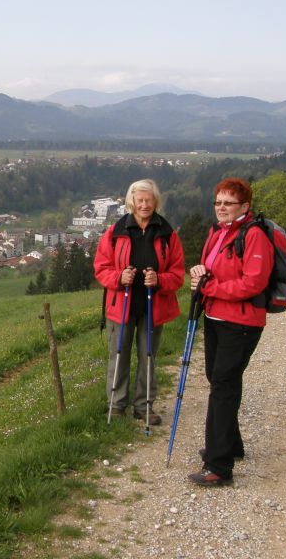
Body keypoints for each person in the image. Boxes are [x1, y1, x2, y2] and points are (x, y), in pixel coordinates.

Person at [188, 177, 274, 487]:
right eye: (218, 202)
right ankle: (230, 445)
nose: (222, 208)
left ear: (245, 207)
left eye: (229, 203)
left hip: (241, 323)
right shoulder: (218, 233)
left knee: (222, 385)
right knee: (220, 377)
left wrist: (211, 286)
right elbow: (212, 267)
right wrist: (200, 271)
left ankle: (218, 466)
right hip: (215, 317)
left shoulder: (254, 236)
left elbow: (254, 282)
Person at [94, 179, 185, 425]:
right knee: (119, 356)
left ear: (156, 202)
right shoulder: (115, 232)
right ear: (131, 202)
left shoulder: (168, 234)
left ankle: (144, 407)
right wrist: (118, 276)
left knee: (148, 356)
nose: (144, 205)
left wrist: (159, 280)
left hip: (152, 306)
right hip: (120, 306)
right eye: (140, 200)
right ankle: (116, 406)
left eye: (149, 200)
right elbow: (101, 268)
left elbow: (178, 275)